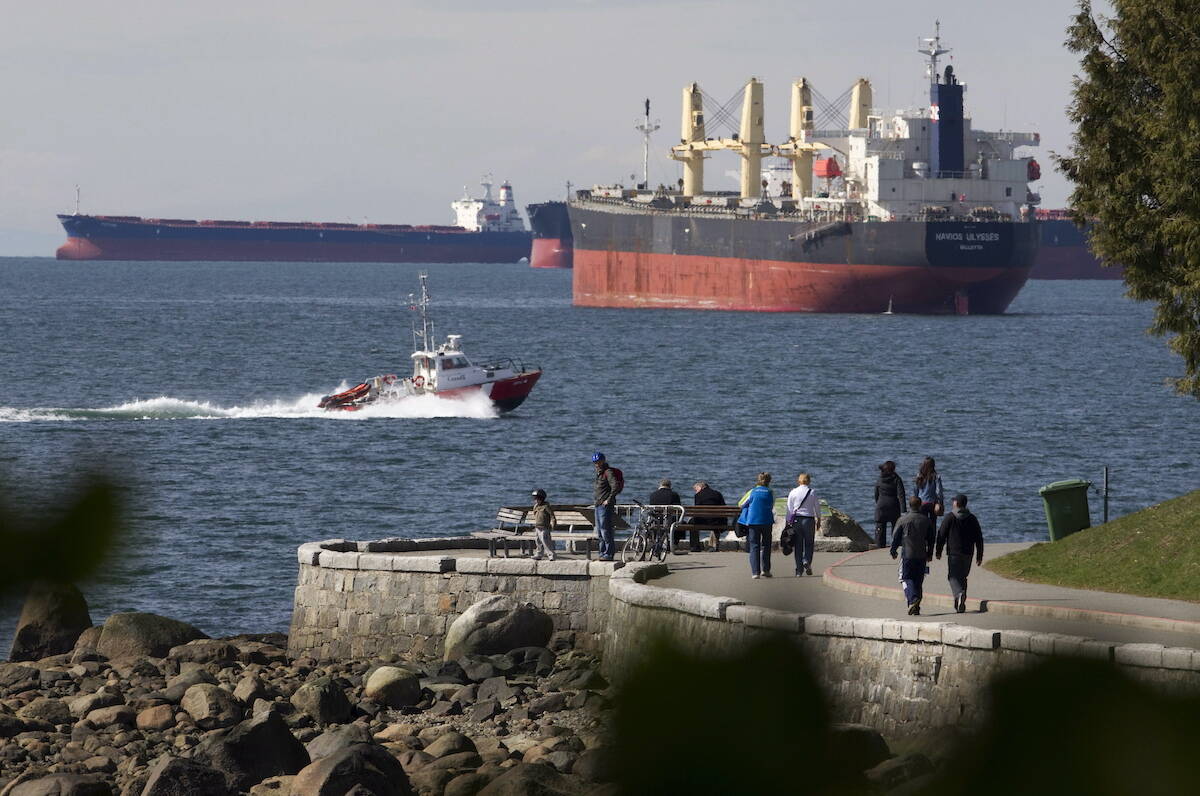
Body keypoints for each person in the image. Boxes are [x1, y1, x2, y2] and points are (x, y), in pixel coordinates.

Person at [935, 493, 985, 613]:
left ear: (956, 503)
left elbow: (941, 535)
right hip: (968, 553)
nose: (952, 503)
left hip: (954, 553)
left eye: (954, 501)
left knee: (952, 577)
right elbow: (979, 537)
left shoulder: (950, 517)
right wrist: (979, 555)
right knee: (963, 577)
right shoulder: (972, 518)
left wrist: (938, 551)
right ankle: (960, 603)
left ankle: (959, 594)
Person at [890, 496, 934, 615]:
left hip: (908, 554)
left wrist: (893, 551)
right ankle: (916, 607)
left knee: (907, 578)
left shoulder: (903, 520)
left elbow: (896, 537)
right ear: (920, 506)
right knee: (918, 581)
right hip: (922, 555)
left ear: (909, 506)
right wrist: (930, 553)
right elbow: (931, 539)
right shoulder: (926, 520)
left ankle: (913, 600)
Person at [737, 472, 775, 579]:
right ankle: (766, 570)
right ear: (769, 481)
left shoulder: (752, 491)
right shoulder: (771, 492)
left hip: (753, 522)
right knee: (766, 546)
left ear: (758, 480)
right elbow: (772, 504)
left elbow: (740, 504)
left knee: (754, 546)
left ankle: (755, 572)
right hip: (767, 521)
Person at [785, 473, 821, 576]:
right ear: (809, 481)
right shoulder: (812, 492)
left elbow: (789, 509)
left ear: (798, 481)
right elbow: (817, 507)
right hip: (809, 520)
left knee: (798, 545)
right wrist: (819, 519)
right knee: (809, 543)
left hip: (796, 520)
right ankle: (806, 561)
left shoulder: (793, 492)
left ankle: (799, 571)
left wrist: (788, 523)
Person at [592, 451, 621, 561]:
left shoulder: (608, 472)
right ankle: (602, 553)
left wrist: (608, 500)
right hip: (598, 505)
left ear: (603, 461)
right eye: (595, 462)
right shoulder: (599, 473)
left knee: (605, 530)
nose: (596, 464)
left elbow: (616, 486)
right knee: (599, 531)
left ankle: (608, 553)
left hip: (605, 506)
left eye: (598, 461)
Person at [874, 460, 907, 548]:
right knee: (896, 527)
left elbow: (876, 494)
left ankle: (880, 547)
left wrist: (878, 503)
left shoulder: (880, 479)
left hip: (881, 506)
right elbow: (901, 495)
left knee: (880, 528)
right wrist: (903, 511)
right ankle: (895, 545)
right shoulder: (897, 479)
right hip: (894, 506)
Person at [648, 479, 685, 548]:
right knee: (681, 522)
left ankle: (655, 542)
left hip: (656, 520)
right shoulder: (674, 494)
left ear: (660, 485)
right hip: (670, 520)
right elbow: (678, 510)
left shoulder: (653, 494)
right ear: (670, 486)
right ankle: (674, 543)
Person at [692, 481, 726, 552]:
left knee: (691, 522)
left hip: (704, 521)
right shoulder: (718, 494)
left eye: (696, 489)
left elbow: (697, 510)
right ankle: (715, 546)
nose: (696, 492)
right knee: (717, 519)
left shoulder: (698, 495)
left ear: (701, 487)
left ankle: (695, 547)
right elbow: (724, 507)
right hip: (718, 521)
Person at [914, 457, 945, 531]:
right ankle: (932, 540)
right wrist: (940, 502)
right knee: (933, 522)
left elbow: (916, 490)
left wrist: (916, 500)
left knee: (922, 522)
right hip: (932, 503)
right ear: (933, 465)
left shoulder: (919, 476)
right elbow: (939, 491)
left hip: (921, 502)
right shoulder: (936, 476)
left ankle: (923, 539)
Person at [529, 489, 556, 561]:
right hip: (538, 527)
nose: (536, 501)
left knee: (546, 541)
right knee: (538, 541)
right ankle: (539, 554)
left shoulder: (546, 506)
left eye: (537, 499)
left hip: (545, 527)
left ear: (541, 498)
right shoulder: (536, 506)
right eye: (535, 499)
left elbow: (552, 516)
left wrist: (553, 525)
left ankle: (551, 555)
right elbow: (535, 514)